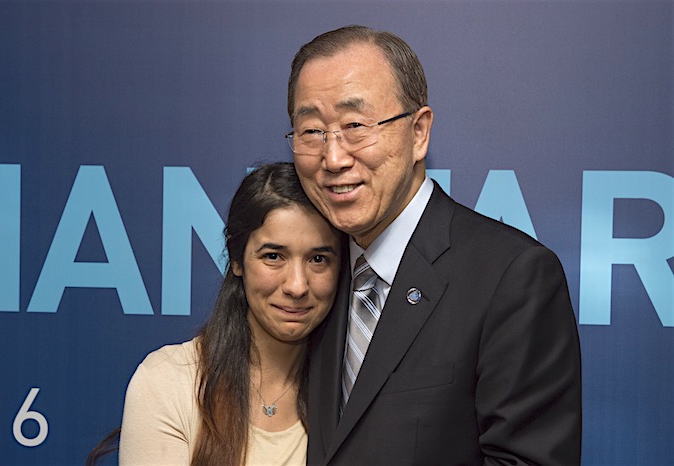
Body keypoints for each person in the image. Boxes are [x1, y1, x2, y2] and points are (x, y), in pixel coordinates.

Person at [286, 26, 582, 465]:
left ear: (419, 132)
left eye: (355, 126)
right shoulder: (310, 278)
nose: (333, 158)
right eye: (311, 131)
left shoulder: (511, 277)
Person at [110, 162, 342, 465]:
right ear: (237, 260)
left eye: (318, 259)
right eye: (273, 256)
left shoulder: (353, 391)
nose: (297, 285)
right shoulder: (169, 381)